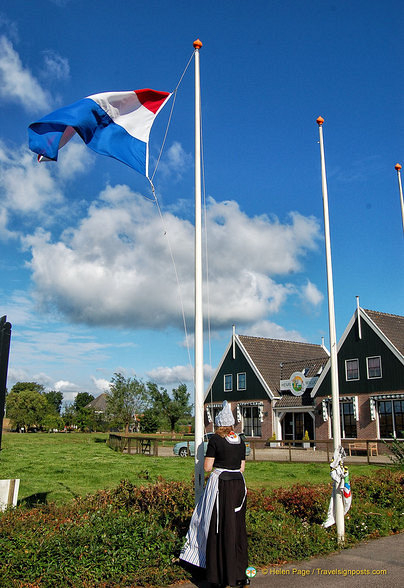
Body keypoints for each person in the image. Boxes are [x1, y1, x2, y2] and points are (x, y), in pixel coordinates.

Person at [180, 401, 249, 587]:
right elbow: (241, 468)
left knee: (215, 525)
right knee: (237, 527)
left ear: (219, 424)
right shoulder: (240, 440)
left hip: (221, 486)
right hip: (239, 487)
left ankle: (218, 574)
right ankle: (240, 573)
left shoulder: (216, 440)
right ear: (232, 424)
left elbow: (207, 466)